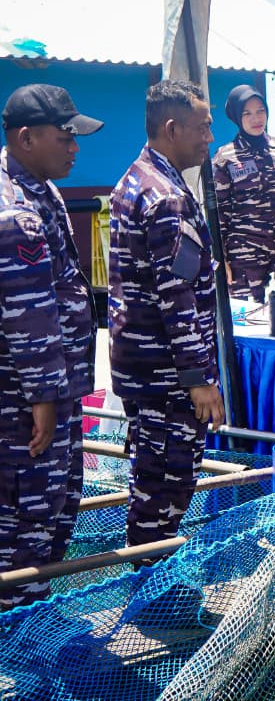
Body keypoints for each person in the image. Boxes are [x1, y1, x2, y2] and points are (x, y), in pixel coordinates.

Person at [109, 80, 223, 554]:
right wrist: (198, 379)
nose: (209, 139)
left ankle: (152, 590)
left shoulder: (138, 177)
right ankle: (155, 602)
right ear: (172, 129)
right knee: (166, 489)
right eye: (202, 128)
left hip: (146, 367)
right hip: (167, 376)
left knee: (153, 481)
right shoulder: (165, 198)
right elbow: (176, 298)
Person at [0, 84, 101, 609]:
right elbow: (28, 316)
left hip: (54, 391)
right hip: (23, 402)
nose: (75, 147)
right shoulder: (13, 210)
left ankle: (32, 622)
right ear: (25, 137)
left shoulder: (43, 189)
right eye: (65, 137)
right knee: (26, 519)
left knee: (57, 507)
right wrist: (43, 399)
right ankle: (18, 638)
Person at [212, 85, 275, 303]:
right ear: (237, 117)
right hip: (245, 259)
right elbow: (219, 215)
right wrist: (220, 258)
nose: (256, 118)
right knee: (247, 326)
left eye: (260, 111)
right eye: (247, 113)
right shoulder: (225, 157)